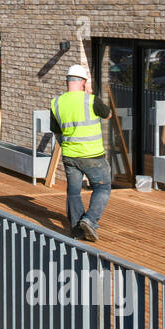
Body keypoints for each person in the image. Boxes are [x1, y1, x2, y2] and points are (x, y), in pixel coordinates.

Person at [50, 63, 112, 242]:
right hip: (92, 155)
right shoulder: (90, 100)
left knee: (74, 192)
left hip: (70, 156)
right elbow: (107, 115)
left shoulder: (57, 103)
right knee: (102, 187)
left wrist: (68, 146)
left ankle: (77, 230)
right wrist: (91, 93)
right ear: (83, 82)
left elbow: (57, 132)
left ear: (67, 81)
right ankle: (90, 220)